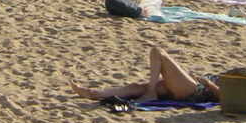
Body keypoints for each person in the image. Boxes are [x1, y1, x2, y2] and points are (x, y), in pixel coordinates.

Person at [69, 47, 221, 105]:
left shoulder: (244, 88)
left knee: (158, 52)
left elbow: (226, 98)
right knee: (135, 87)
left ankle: (151, 93)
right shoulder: (241, 75)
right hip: (193, 85)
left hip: (195, 91)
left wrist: (209, 84)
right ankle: (94, 93)